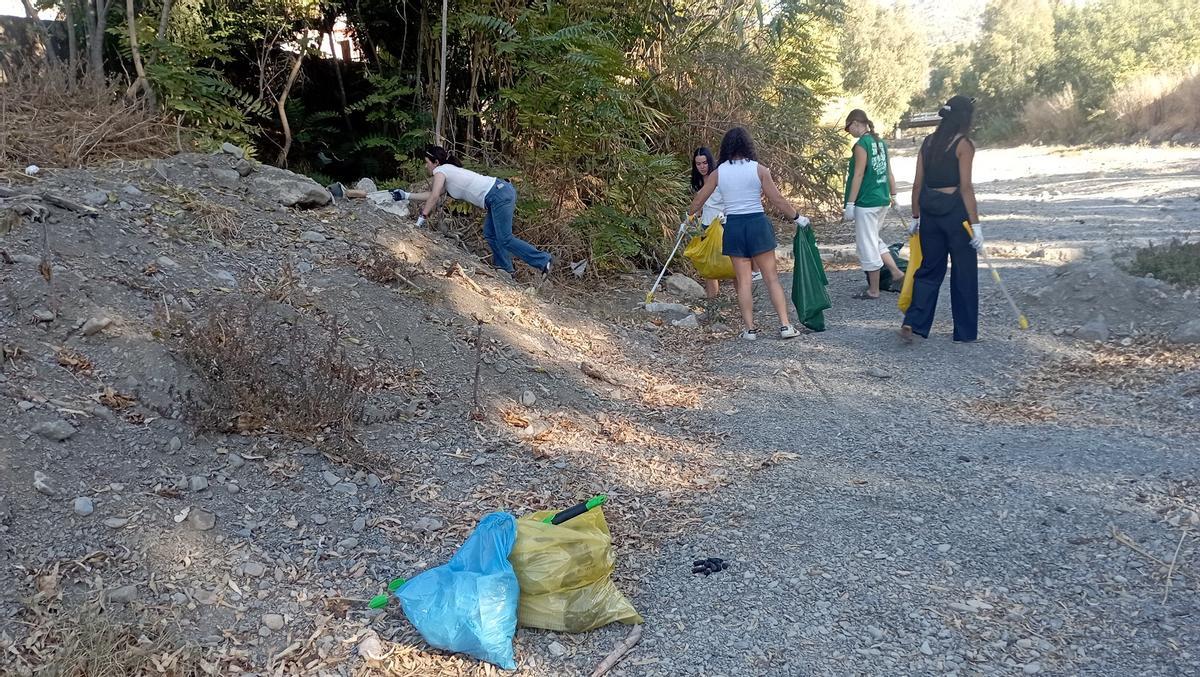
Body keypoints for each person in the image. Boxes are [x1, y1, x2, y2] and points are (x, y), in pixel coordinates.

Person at [688, 127, 809, 341]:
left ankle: (750, 330)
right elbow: (777, 199)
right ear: (747, 145)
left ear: (726, 147)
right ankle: (785, 325)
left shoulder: (719, 173)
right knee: (771, 278)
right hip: (757, 224)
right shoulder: (759, 169)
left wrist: (688, 217)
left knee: (744, 281)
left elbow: (699, 199)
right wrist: (797, 217)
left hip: (733, 227)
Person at [396, 145, 552, 279]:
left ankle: (544, 260)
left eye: (427, 162)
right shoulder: (448, 172)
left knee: (505, 238)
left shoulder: (441, 171)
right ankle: (506, 269)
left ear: (436, 162)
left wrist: (421, 219)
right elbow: (432, 195)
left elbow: (435, 195)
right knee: (490, 234)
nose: (426, 166)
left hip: (498, 194)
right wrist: (406, 195)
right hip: (498, 193)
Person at [901, 95, 982, 344]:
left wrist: (915, 216)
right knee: (964, 272)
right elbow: (966, 187)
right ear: (965, 118)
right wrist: (976, 225)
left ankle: (913, 321)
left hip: (930, 214)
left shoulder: (928, 143)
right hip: (957, 216)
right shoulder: (964, 145)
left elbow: (917, 184)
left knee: (929, 269)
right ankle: (965, 332)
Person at [842, 109, 905, 299]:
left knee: (866, 244)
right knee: (874, 239)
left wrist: (850, 203)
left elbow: (858, 174)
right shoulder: (880, 142)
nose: (849, 132)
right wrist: (893, 195)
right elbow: (889, 172)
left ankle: (874, 290)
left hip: (867, 201)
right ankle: (896, 273)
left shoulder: (862, 145)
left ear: (855, 123)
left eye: (848, 128)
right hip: (882, 198)